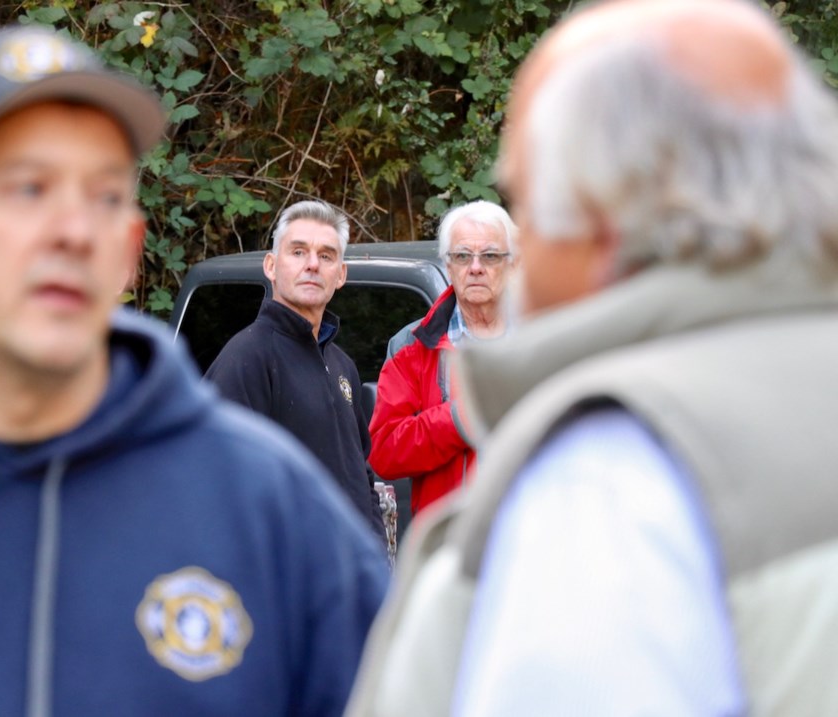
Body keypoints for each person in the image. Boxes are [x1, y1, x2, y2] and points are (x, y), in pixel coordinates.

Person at [346, 0, 838, 715]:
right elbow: (385, 449)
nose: (500, 262)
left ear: (600, 213)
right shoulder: (415, 352)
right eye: (469, 254)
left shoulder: (608, 467)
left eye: (525, 204)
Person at [0, 27, 388, 716]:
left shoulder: (274, 515)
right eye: (26, 188)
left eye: (104, 195)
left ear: (128, 247)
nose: (73, 230)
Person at [204, 200, 387, 544]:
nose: (313, 265)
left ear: (341, 274)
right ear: (271, 266)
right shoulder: (247, 358)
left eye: (327, 255)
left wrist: (374, 559)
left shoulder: (342, 365)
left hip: (350, 579)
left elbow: (362, 477)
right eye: (298, 252)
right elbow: (221, 486)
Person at [367, 200, 518, 516]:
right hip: (448, 543)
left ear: (513, 264)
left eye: (490, 256)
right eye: (462, 256)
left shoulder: (543, 338)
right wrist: (458, 419)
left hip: (528, 538)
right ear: (449, 267)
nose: (475, 267)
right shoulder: (412, 345)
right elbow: (384, 451)